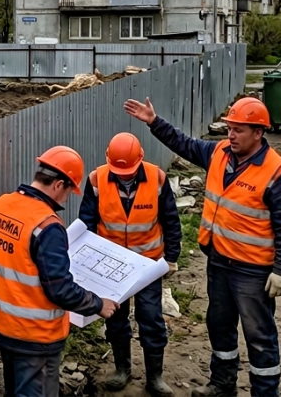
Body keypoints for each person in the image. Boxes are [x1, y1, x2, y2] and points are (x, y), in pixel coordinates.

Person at [123, 97, 281, 397]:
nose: (231, 135)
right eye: (229, 128)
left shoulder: (276, 173)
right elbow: (184, 144)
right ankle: (222, 383)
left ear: (258, 132)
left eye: (238, 130)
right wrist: (154, 122)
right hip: (219, 262)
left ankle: (265, 392)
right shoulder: (219, 153)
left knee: (259, 336)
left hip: (253, 270)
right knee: (219, 325)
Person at [0, 145, 121, 397]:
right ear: (58, 185)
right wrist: (98, 304)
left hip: (2, 326)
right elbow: (60, 290)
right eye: (69, 191)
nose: (66, 199)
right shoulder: (47, 225)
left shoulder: (0, 206)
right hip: (36, 336)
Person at [78, 133, 180, 396]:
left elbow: (170, 218)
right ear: (108, 159)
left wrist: (171, 257)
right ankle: (122, 368)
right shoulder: (97, 179)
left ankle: (154, 377)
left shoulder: (157, 178)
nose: (124, 176)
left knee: (151, 317)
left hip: (147, 264)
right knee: (115, 318)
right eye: (119, 171)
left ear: (141, 159)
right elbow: (87, 222)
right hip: (110, 266)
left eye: (129, 172)